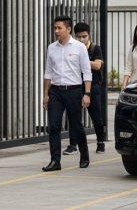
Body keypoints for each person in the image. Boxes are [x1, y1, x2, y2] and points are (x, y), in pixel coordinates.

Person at [42, 16, 93, 172]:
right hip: (55, 92)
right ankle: (55, 161)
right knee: (54, 126)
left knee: (76, 126)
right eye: (55, 28)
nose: (56, 31)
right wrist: (46, 94)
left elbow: (87, 72)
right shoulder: (51, 48)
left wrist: (87, 93)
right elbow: (48, 72)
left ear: (68, 29)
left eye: (60, 28)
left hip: (74, 91)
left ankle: (84, 156)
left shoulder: (79, 47)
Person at [63, 22, 106, 156]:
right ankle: (73, 145)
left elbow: (98, 66)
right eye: (79, 37)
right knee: (73, 116)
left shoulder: (95, 48)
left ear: (89, 35)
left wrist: (80, 60)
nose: (81, 39)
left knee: (96, 116)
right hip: (76, 86)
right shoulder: (72, 48)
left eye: (84, 36)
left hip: (93, 87)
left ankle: (100, 142)